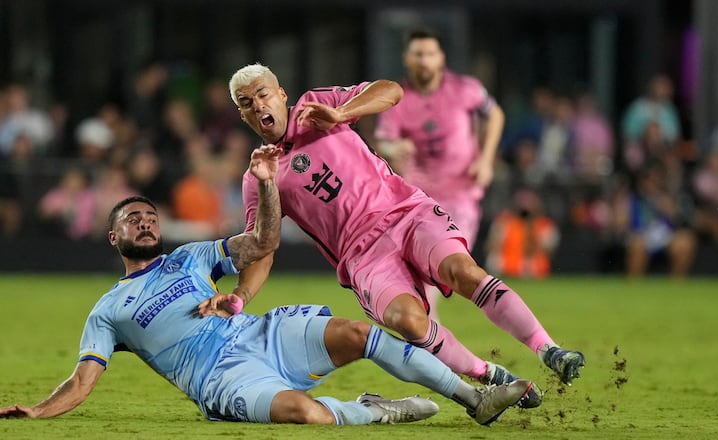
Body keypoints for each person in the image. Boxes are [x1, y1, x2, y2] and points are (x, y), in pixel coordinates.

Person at [0, 147, 531, 426]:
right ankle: (374, 409)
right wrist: (38, 410)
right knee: (306, 416)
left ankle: (474, 397)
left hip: (257, 334)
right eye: (132, 219)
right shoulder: (109, 310)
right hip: (220, 377)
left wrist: (269, 185)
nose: (144, 223)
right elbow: (83, 379)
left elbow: (262, 240)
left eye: (150, 216)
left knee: (355, 332)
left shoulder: (190, 257)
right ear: (113, 235)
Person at [219, 63, 585, 408]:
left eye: (263, 94)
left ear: (282, 94)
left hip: (407, 213)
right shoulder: (258, 176)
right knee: (408, 322)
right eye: (247, 103)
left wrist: (342, 113)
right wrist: (240, 296)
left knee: (463, 272)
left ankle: (548, 349)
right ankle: (488, 374)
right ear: (242, 115)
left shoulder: (319, 105)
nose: (259, 106)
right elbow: (262, 246)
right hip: (362, 256)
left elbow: (391, 91)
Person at [373, 29, 505, 323]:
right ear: (407, 58)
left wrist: (485, 160)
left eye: (430, 54)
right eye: (418, 54)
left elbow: (495, 115)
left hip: (461, 193)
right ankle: (429, 335)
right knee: (425, 268)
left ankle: (429, 334)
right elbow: (383, 140)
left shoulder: (465, 89)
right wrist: (396, 147)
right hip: (419, 196)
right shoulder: (398, 99)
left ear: (441, 58)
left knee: (441, 262)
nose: (424, 61)